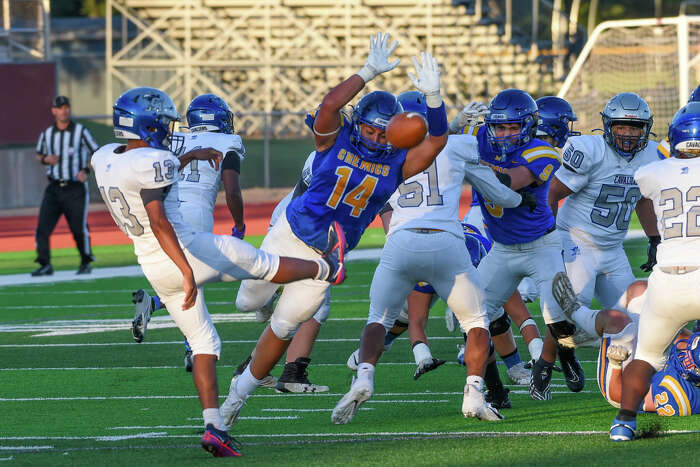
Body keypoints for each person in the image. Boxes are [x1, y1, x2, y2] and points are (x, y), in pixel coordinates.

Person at [92, 86, 345, 457]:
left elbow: (141, 179)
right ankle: (326, 266)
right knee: (261, 263)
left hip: (150, 264)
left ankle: (214, 426)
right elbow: (158, 217)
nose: (167, 128)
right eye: (161, 122)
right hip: (185, 250)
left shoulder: (104, 157)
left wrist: (190, 154)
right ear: (148, 126)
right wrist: (186, 270)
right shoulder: (152, 160)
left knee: (205, 344)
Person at [221, 32, 449, 429]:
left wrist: (434, 98)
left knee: (284, 328)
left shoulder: (398, 162)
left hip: (325, 260)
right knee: (245, 303)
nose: (377, 138)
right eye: (372, 130)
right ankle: (258, 300)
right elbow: (329, 104)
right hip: (289, 236)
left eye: (384, 133)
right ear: (357, 123)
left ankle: (235, 399)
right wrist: (367, 71)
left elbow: (438, 140)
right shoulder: (334, 137)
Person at [331, 85, 533, 424]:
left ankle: (364, 376)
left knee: (378, 320)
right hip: (446, 241)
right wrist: (520, 200)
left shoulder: (384, 153)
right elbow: (497, 191)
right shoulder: (458, 146)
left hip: (401, 242)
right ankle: (474, 395)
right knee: (477, 322)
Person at [466, 88, 583, 402]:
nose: (504, 135)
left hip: (541, 246)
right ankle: (494, 390)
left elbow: (509, 181)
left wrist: (469, 162)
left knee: (558, 313)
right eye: (499, 127)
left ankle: (568, 356)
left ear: (529, 126)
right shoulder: (479, 137)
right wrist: (453, 126)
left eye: (513, 127)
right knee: (475, 317)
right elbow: (438, 148)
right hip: (501, 249)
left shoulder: (543, 151)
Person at [547, 92, 660, 393]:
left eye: (634, 128)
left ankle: (614, 363)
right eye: (621, 126)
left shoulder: (651, 155)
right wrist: (548, 238)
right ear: (608, 126)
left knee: (638, 317)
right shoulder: (589, 150)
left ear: (645, 129)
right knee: (570, 310)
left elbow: (642, 200)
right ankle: (558, 356)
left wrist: (654, 237)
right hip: (577, 240)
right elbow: (553, 193)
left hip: (612, 249)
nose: (627, 134)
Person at [129, 93, 247, 373]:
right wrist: (240, 224)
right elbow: (232, 190)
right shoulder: (229, 142)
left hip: (163, 209)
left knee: (189, 274)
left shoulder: (176, 139)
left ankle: (153, 304)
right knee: (198, 275)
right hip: (195, 213)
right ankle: (193, 348)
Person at [609, 101, 700, 441]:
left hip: (667, 280)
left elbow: (658, 168)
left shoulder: (652, 172)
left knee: (645, 357)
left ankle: (623, 422)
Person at [32, 95, 99, 276]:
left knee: (78, 227)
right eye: (60, 108)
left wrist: (86, 170)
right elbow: (39, 154)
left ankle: (86, 261)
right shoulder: (47, 134)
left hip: (74, 188)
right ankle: (44, 263)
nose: (64, 110)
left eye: (66, 107)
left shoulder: (80, 131)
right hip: (54, 188)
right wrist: (46, 159)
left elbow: (96, 153)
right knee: (42, 227)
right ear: (54, 111)